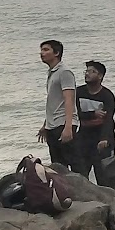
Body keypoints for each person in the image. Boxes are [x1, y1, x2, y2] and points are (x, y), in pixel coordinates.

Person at [74, 60, 115, 185]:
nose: (87, 74)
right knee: (81, 173)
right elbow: (74, 114)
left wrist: (104, 138)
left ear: (100, 76)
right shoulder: (78, 92)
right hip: (84, 136)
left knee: (103, 175)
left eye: (92, 71)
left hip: (102, 136)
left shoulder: (107, 95)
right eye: (86, 71)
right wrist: (92, 114)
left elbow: (108, 119)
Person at [36, 40, 79, 169]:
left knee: (72, 162)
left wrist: (68, 126)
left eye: (46, 50)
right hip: (52, 125)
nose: (42, 53)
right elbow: (54, 101)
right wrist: (45, 124)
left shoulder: (64, 72)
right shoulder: (52, 72)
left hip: (63, 123)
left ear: (57, 53)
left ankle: (79, 188)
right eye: (41, 50)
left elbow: (69, 99)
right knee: (58, 165)